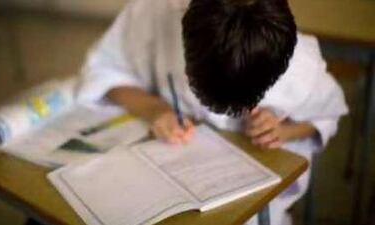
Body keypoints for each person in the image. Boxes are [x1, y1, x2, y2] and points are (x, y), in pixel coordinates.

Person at [77, 0, 348, 224]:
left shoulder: (300, 61)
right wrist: (155, 109)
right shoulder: (156, 9)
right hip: (160, 185)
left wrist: (284, 130)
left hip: (254, 204)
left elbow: (327, 114)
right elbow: (104, 71)